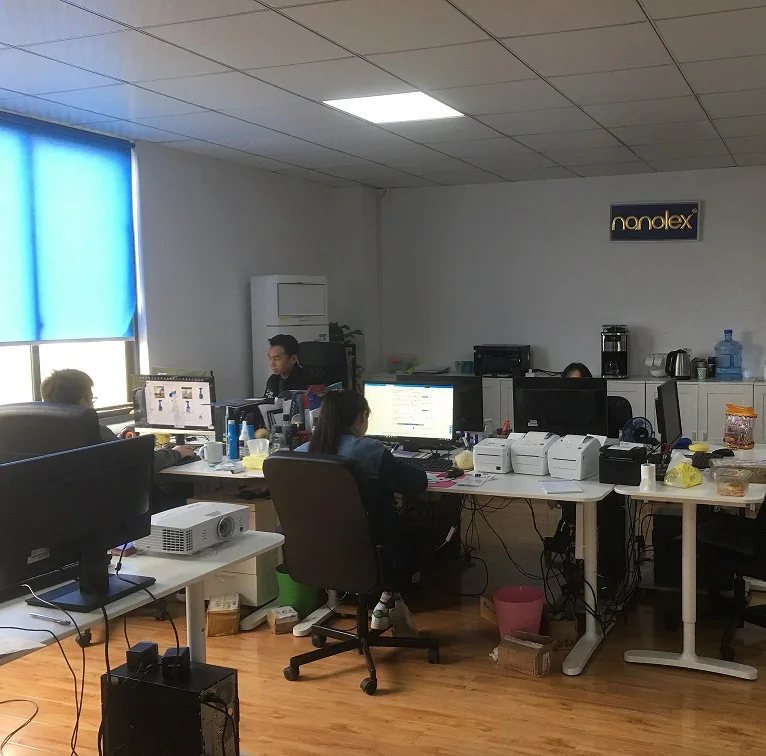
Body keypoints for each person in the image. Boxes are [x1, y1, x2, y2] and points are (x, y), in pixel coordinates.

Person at [295, 389, 426, 632]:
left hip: (316, 552)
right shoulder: (368, 450)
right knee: (419, 523)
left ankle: (387, 601)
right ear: (361, 417)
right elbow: (417, 483)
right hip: (370, 551)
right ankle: (389, 597)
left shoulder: (299, 454)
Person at [40, 368, 195, 472]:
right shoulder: (92, 431)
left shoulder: (38, 432)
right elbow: (141, 462)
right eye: (91, 398)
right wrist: (175, 453)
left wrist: (119, 442)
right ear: (83, 402)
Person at [264, 334, 311, 400]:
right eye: (270, 358)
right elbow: (267, 402)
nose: (272, 364)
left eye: (277, 359)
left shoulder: (307, 382)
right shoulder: (273, 380)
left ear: (293, 359)